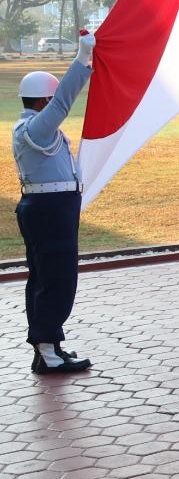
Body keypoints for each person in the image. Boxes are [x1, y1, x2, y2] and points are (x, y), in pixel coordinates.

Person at [14, 32, 96, 373]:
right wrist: (83, 59)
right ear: (44, 102)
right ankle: (47, 351)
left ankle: (50, 346)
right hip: (49, 211)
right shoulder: (36, 129)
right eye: (51, 101)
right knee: (56, 279)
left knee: (47, 277)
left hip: (50, 207)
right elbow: (64, 101)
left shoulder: (33, 129)